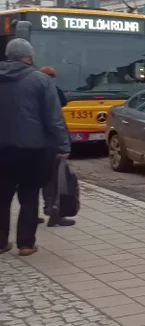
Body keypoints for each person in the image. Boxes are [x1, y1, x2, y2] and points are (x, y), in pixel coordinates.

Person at [0, 39, 71, 256]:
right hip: (33, 149)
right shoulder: (40, 80)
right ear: (28, 57)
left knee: (2, 197)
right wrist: (63, 144)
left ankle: (1, 243)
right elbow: (53, 118)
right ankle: (26, 244)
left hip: (2, 149)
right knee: (29, 196)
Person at [38, 67, 74, 227]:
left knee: (32, 182)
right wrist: (64, 145)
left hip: (31, 143)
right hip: (50, 143)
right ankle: (54, 214)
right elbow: (57, 119)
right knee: (54, 181)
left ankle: (34, 213)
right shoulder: (51, 90)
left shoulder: (27, 91)